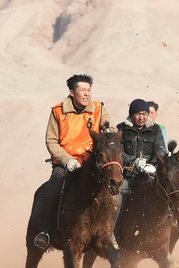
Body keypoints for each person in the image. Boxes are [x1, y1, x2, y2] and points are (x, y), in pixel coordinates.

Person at [32, 74, 105, 250]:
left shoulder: (99, 109)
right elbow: (51, 141)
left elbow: (108, 131)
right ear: (72, 92)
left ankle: (107, 234)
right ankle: (45, 232)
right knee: (51, 192)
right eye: (82, 90)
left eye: (89, 90)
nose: (87, 94)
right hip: (66, 165)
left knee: (114, 196)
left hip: (91, 165)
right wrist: (67, 160)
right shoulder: (58, 111)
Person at [114, 99, 168, 227]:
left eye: (144, 114)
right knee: (116, 200)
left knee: (165, 196)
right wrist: (133, 161)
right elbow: (118, 151)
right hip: (126, 176)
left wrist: (153, 165)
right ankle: (112, 231)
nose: (141, 117)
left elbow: (161, 149)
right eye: (138, 114)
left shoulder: (155, 130)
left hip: (148, 176)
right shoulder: (121, 128)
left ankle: (166, 227)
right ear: (131, 114)